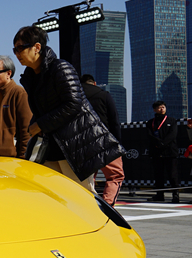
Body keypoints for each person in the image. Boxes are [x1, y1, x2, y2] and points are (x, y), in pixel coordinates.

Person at [13, 26, 123, 193]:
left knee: (80, 199)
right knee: (49, 198)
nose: (17, 53)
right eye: (14, 49)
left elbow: (73, 104)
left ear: (37, 47)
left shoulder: (60, 68)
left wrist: (40, 124)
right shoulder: (30, 77)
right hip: (51, 149)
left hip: (74, 147)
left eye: (20, 48)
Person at [81, 74, 126, 205]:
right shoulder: (104, 95)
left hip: (83, 142)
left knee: (87, 177)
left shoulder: (75, 95)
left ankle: (87, 205)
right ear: (94, 83)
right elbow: (114, 121)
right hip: (105, 140)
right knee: (115, 176)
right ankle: (108, 206)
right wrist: (117, 143)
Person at [146, 101, 180, 202]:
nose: (162, 109)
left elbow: (173, 134)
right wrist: (158, 143)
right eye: (159, 107)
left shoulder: (172, 120)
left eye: (163, 107)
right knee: (158, 175)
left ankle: (175, 195)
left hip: (170, 152)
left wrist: (162, 143)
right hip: (156, 152)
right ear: (154, 109)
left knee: (172, 175)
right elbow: (149, 135)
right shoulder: (150, 122)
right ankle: (159, 195)